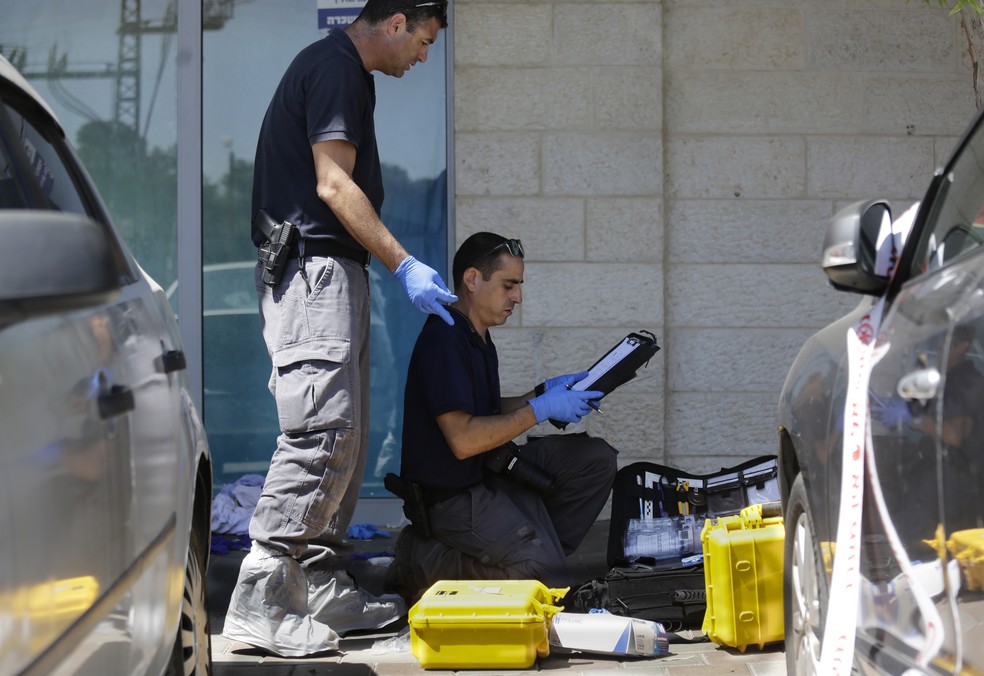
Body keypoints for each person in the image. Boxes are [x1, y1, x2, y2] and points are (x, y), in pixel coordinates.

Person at [222, 0, 454, 657]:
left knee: (346, 439)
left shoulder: (347, 73)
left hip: (331, 273)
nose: (424, 57)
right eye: (425, 41)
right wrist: (404, 263)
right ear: (396, 22)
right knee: (321, 430)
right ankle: (261, 599)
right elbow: (333, 183)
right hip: (313, 273)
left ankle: (319, 586)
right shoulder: (336, 68)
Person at [386, 232, 619, 602]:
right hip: (451, 499)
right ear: (472, 279)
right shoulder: (444, 339)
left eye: (519, 285)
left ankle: (534, 551)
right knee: (545, 580)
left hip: (489, 474)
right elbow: (464, 440)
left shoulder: (477, 336)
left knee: (595, 460)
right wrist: (539, 410)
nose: (518, 297)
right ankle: (423, 558)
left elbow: (485, 412)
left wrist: (541, 394)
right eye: (509, 285)